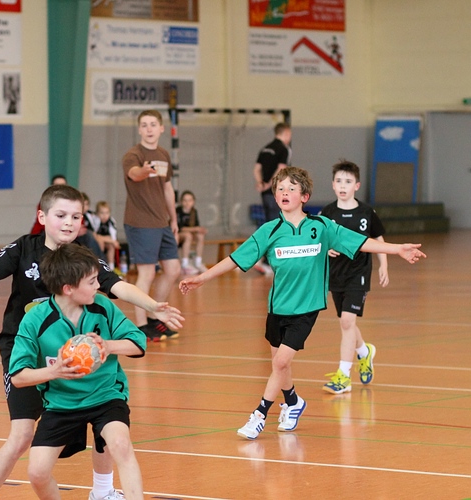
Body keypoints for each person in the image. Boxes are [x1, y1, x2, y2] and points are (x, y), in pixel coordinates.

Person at [0, 184, 183, 500]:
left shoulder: (84, 258)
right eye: (61, 215)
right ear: (42, 216)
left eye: (76, 216)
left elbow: (116, 285)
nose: (68, 222)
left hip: (76, 349)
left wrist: (152, 306)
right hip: (28, 350)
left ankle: (103, 491)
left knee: (104, 418)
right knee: (22, 435)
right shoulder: (24, 248)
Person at [179, 167, 426, 440]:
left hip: (306, 310)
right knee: (280, 365)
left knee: (281, 362)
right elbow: (236, 258)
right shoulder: (270, 230)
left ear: (304, 196)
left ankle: (259, 415)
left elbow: (359, 242)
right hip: (277, 308)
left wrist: (397, 249)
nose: (284, 192)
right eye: (280, 189)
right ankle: (293, 401)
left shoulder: (321, 227)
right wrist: (201, 277)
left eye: (291, 188)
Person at [9, 244, 145, 500]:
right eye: (91, 281)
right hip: (61, 404)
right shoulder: (35, 320)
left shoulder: (102, 307)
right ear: (68, 288)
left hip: (106, 395)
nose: (98, 286)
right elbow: (18, 376)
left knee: (120, 445)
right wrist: (54, 371)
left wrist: (109, 346)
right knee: (37, 473)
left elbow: (138, 343)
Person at [320, 161, 387, 394]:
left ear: (356, 186)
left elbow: (378, 239)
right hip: (336, 274)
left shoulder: (366, 213)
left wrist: (384, 265)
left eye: (347, 181)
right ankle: (364, 352)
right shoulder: (327, 213)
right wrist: (326, 248)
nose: (342, 185)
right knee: (346, 321)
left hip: (358, 274)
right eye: (338, 181)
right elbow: (320, 239)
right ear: (332, 184)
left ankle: (344, 376)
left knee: (347, 321)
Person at [122, 109, 181, 341]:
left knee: (173, 269)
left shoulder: (163, 154)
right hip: (141, 222)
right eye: (144, 125)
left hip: (161, 222)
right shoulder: (133, 155)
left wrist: (173, 219)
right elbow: (134, 174)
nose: (149, 129)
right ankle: (141, 325)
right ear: (139, 129)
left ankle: (154, 315)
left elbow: (167, 188)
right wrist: (143, 171)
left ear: (161, 128)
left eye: (153, 124)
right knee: (146, 273)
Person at [252, 122, 292, 275]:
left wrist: (260, 183)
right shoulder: (284, 149)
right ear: (286, 133)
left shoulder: (265, 148)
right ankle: (266, 260)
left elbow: (256, 169)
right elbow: (281, 169)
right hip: (277, 192)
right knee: (277, 226)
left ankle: (265, 260)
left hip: (265, 194)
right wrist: (270, 184)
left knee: (271, 224)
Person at [176, 190, 208, 275]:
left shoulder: (194, 212)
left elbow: (196, 227)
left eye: (190, 200)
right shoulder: (178, 211)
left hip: (189, 234)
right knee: (188, 235)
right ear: (181, 201)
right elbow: (180, 228)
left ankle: (198, 262)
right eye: (185, 200)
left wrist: (200, 230)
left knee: (200, 235)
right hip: (177, 235)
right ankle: (185, 263)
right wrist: (195, 229)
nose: (187, 203)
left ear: (193, 202)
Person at [92, 201, 121, 272]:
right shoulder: (94, 220)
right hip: (96, 241)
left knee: (111, 246)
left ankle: (111, 267)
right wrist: (111, 240)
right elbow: (94, 235)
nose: (104, 216)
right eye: (102, 213)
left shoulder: (111, 221)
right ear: (97, 213)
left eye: (107, 213)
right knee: (100, 241)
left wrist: (112, 241)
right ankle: (100, 263)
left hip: (107, 241)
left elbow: (113, 235)